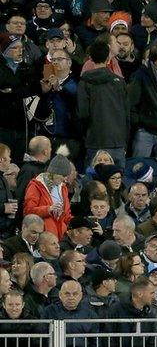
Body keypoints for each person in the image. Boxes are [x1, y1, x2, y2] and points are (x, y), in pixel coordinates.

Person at [77, 37, 129, 166]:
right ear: (108, 58)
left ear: (91, 58)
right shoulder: (120, 82)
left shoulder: (85, 82)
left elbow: (83, 113)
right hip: (118, 142)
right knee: (117, 183)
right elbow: (126, 113)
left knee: (94, 184)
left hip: (95, 141)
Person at [23, 155, 72, 239]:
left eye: (66, 176)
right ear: (54, 173)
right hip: (43, 236)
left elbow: (66, 215)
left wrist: (77, 223)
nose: (65, 179)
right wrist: (48, 209)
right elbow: (28, 211)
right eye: (63, 176)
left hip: (60, 236)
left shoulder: (63, 188)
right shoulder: (36, 186)